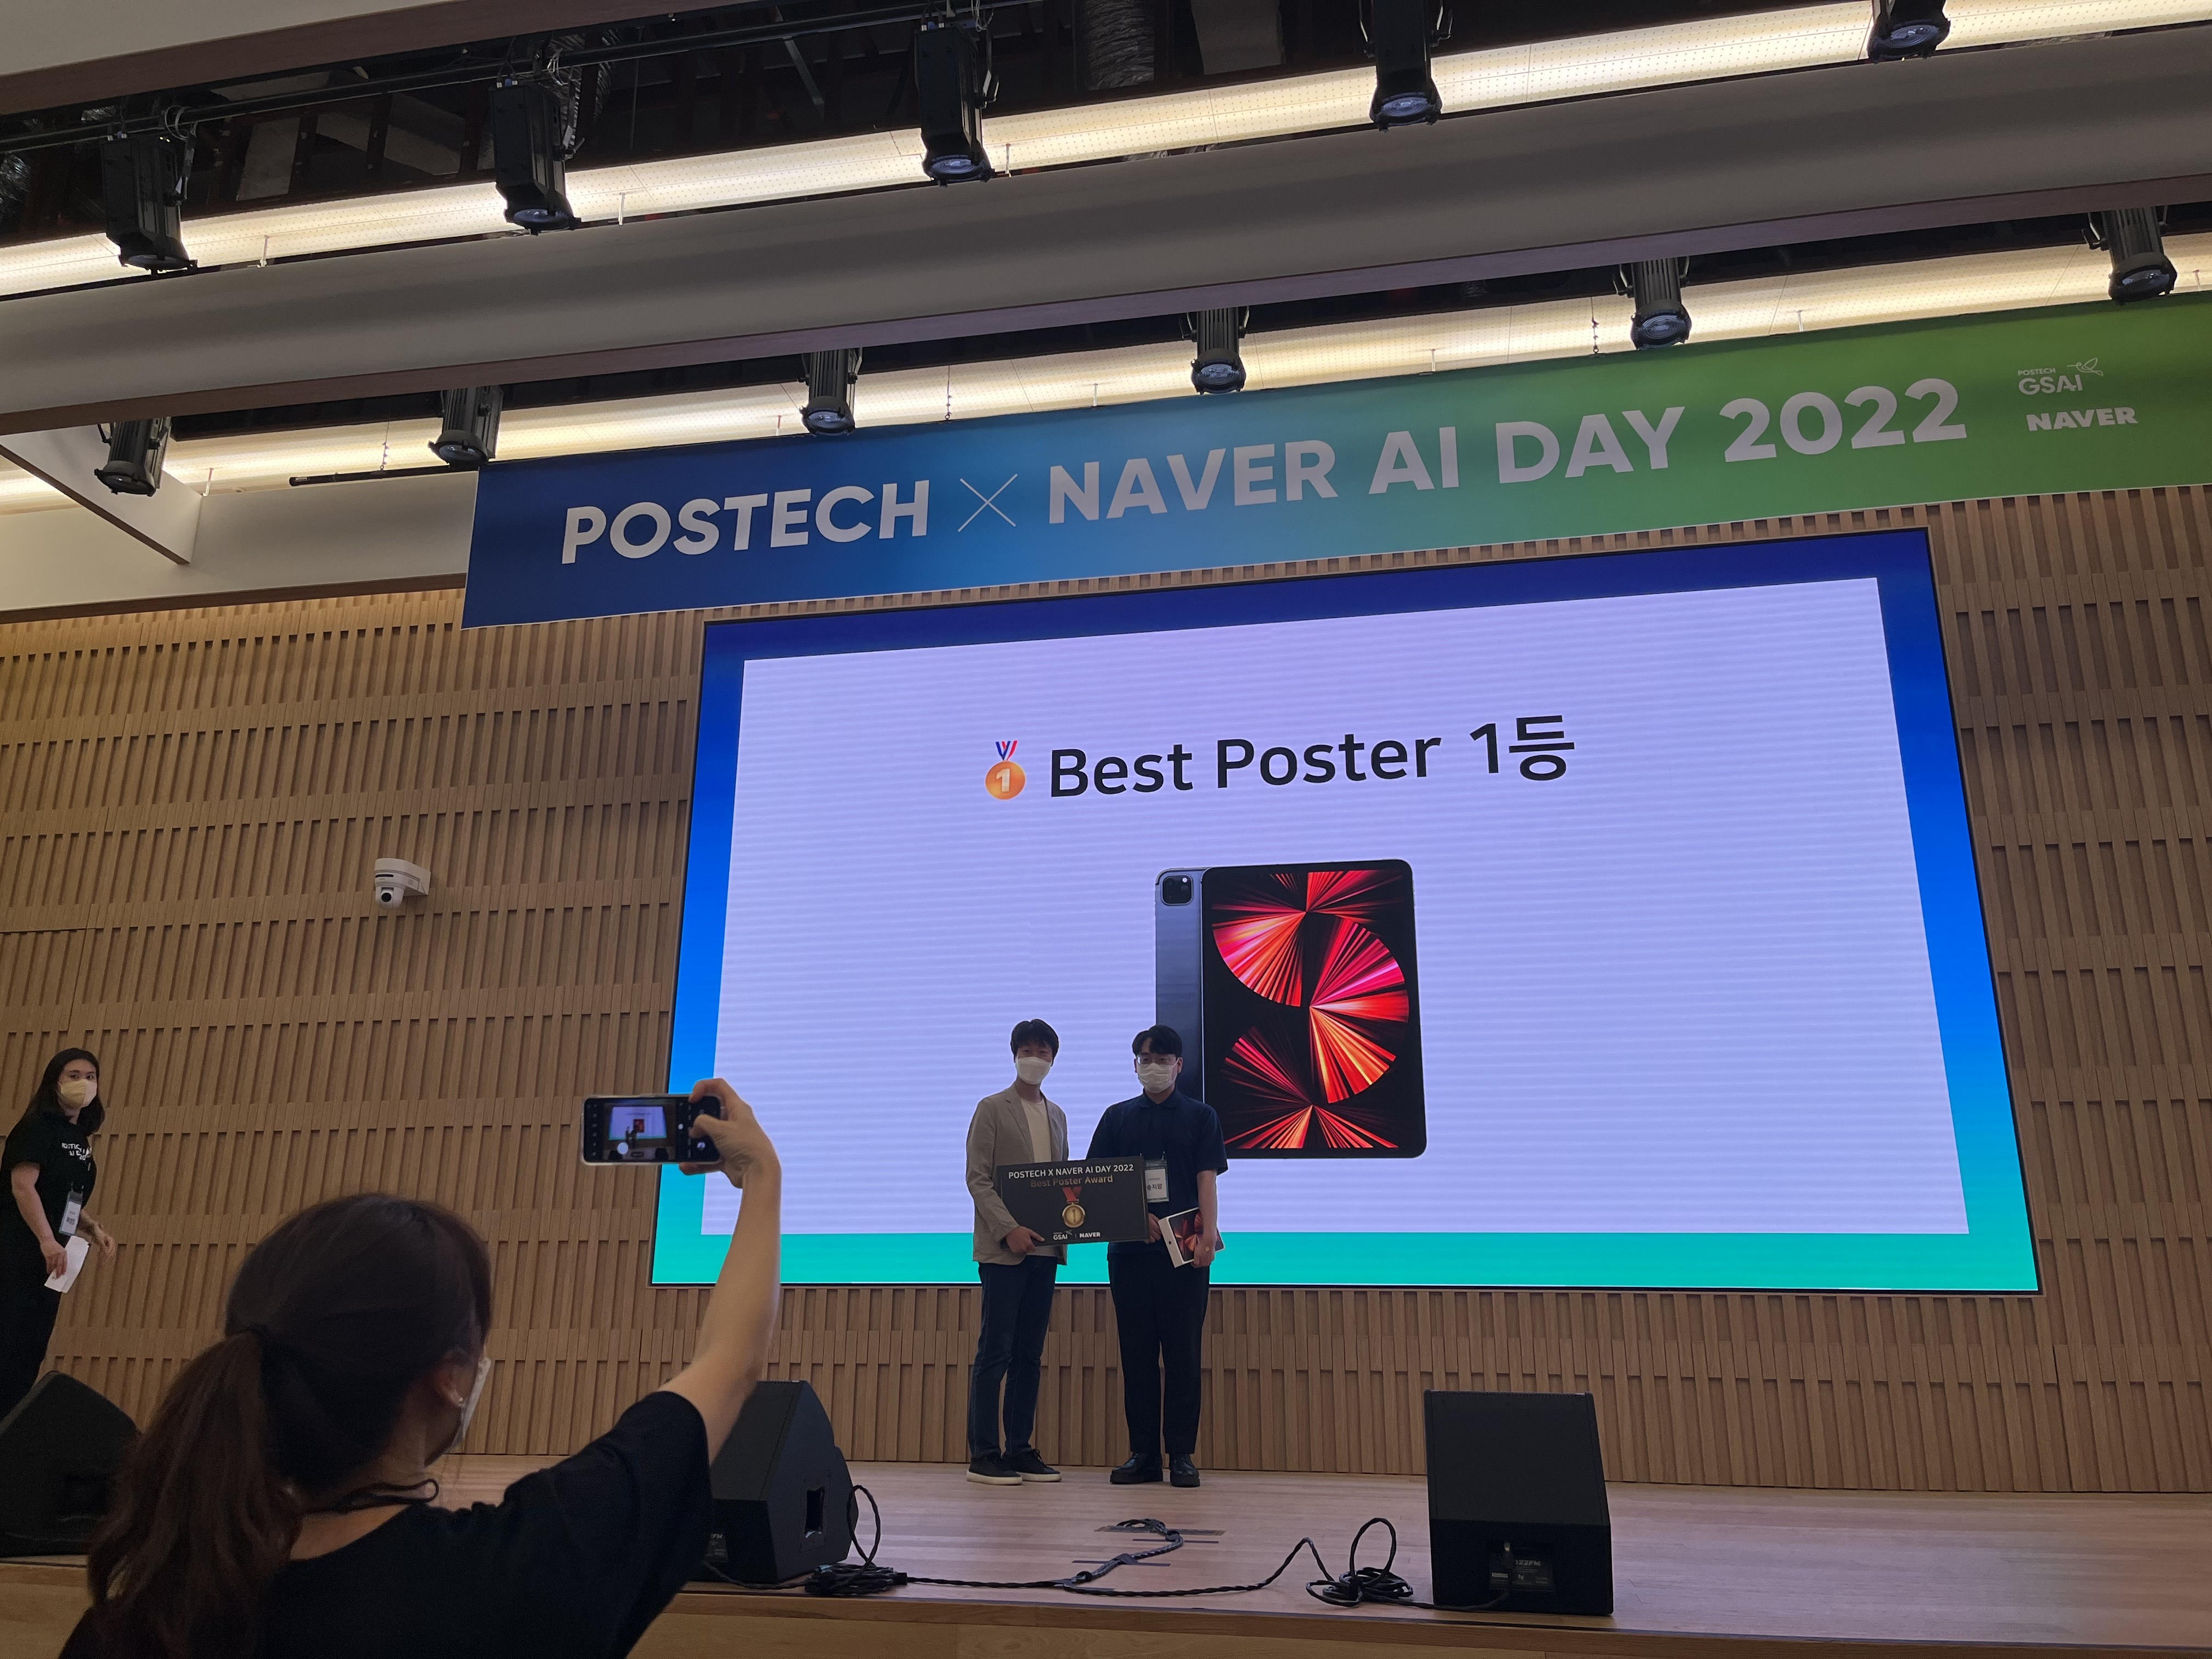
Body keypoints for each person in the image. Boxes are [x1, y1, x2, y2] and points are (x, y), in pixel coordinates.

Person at [60, 1077, 780, 1659]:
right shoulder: (522, 1576)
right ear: (451, 1377)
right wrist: (761, 1177)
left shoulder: (130, 1628)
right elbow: (729, 1360)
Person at [1086, 1025, 1225, 1488]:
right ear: (1135, 1065)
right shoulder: (1116, 1117)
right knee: (1137, 1355)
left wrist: (1208, 1236)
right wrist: (1131, 1216)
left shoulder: (1201, 1116)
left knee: (1183, 1354)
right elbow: (1096, 1183)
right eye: (1144, 1059)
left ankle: (1181, 1454)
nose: (1153, 1066)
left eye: (1162, 1059)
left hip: (1184, 1253)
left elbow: (1207, 1180)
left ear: (1178, 1065)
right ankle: (1143, 1454)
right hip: (1129, 1254)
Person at [962, 1018, 1069, 1486]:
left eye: (1043, 1051)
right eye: (1028, 1050)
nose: (1035, 1058)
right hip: (1004, 1252)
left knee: (1030, 1354)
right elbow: (978, 1178)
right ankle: (984, 1454)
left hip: (1045, 1252)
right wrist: (1008, 1230)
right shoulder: (991, 1108)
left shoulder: (1058, 1115)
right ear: (1014, 1055)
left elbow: (1064, 1183)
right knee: (996, 1351)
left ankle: (1020, 1449)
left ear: (1053, 1059)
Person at [1, 1049, 118, 1419]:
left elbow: (63, 1195)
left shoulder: (80, 1138)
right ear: (54, 1083)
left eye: (90, 1077)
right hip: (18, 1253)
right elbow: (24, 1187)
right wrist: (46, 1239)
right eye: (73, 1075)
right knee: (8, 1343)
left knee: (29, 1351)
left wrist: (92, 1227)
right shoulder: (37, 1128)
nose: (83, 1083)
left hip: (51, 1264)